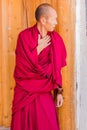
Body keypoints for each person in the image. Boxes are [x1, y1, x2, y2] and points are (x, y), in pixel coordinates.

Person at [10, 3, 67, 130]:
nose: (56, 22)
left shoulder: (56, 39)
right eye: (54, 19)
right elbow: (21, 68)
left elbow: (58, 69)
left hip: (44, 92)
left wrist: (59, 92)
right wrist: (37, 50)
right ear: (43, 20)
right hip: (25, 93)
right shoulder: (24, 37)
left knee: (48, 124)